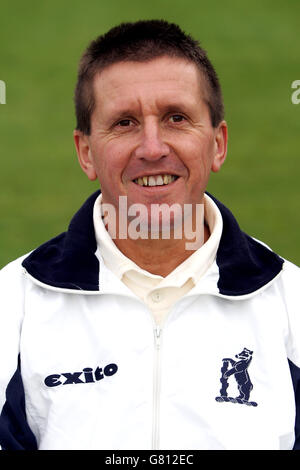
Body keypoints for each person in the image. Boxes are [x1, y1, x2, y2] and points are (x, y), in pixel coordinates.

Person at [0, 20, 299, 451]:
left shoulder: (290, 303)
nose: (153, 148)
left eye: (177, 118)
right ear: (86, 153)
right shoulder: (14, 305)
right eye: (124, 123)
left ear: (218, 143)